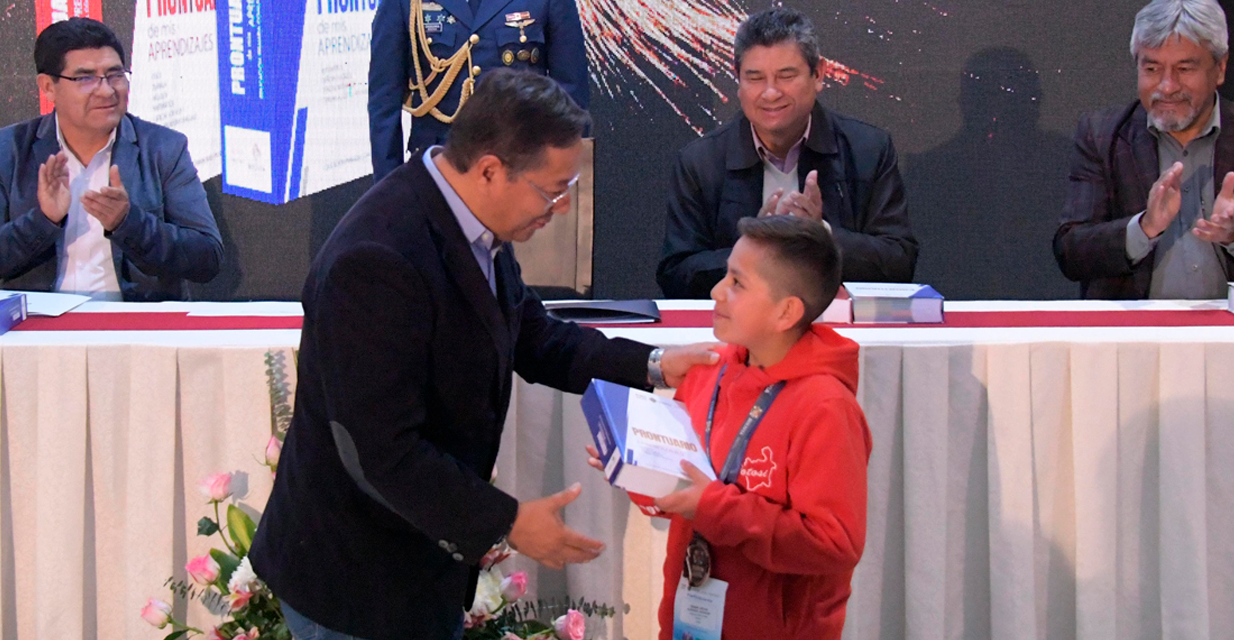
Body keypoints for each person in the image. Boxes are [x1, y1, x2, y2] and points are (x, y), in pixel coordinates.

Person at [248, 68, 718, 640]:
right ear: (491, 169)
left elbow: (531, 334)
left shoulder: (470, 217)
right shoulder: (376, 262)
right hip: (357, 580)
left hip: (419, 564)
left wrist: (652, 365)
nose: (562, 208)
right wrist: (510, 522)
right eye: (553, 190)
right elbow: (379, 448)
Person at [595, 215, 871, 638]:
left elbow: (835, 544)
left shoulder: (826, 407)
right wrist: (636, 466)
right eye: (725, 274)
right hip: (690, 618)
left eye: (737, 283)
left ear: (786, 312)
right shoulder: (710, 368)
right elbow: (683, 481)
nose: (716, 291)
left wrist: (712, 506)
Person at [656, 7, 917, 299]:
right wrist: (755, 247)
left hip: (839, 327)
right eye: (755, 78)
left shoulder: (869, 149)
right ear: (738, 80)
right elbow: (676, 275)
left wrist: (821, 235)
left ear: (818, 74)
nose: (770, 93)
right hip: (739, 331)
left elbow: (899, 262)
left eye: (785, 76)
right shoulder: (700, 161)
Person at [0, 18, 222, 301]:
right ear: (48, 87)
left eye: (115, 74)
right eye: (85, 78)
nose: (106, 90)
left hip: (137, 329)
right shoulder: (8, 150)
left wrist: (128, 223)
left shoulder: (163, 148)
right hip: (40, 331)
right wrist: (42, 220)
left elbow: (207, 259)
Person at [1054, 0, 1234, 299]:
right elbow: (1071, 253)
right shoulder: (1103, 136)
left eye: (1184, 69)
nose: (1166, 86)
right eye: (1152, 68)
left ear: (1220, 69)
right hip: (1134, 339)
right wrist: (1144, 228)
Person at [369, 0, 589, 180]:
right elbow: (384, 101)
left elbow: (570, 92)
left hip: (521, 171)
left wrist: (562, 176)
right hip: (440, 171)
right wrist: (388, 188)